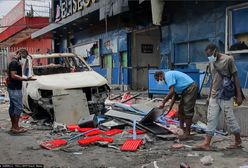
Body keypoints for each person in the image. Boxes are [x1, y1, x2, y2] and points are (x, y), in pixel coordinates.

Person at [195, 43, 243, 150]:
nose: (209, 57)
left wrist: (239, 95)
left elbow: (235, 76)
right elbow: (213, 79)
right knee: (211, 118)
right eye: (207, 55)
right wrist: (208, 96)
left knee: (230, 118)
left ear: (215, 50)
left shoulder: (228, 59)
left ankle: (238, 141)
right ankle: (206, 143)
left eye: (210, 54)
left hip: (226, 94)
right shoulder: (211, 62)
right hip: (214, 95)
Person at [154, 70, 198, 139]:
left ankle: (187, 133)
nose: (159, 82)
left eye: (158, 80)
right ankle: (181, 128)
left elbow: (171, 91)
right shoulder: (168, 78)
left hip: (190, 88)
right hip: (185, 90)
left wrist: (163, 102)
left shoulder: (168, 75)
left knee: (187, 110)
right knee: (181, 109)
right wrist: (170, 107)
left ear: (160, 76)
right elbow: (174, 94)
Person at [7, 49, 32, 133]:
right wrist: (24, 78)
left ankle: (14, 126)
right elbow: (13, 76)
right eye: (23, 56)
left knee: (13, 106)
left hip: (13, 88)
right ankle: (15, 127)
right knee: (18, 107)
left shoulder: (14, 62)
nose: (23, 58)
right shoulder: (14, 63)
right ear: (19, 54)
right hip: (15, 89)